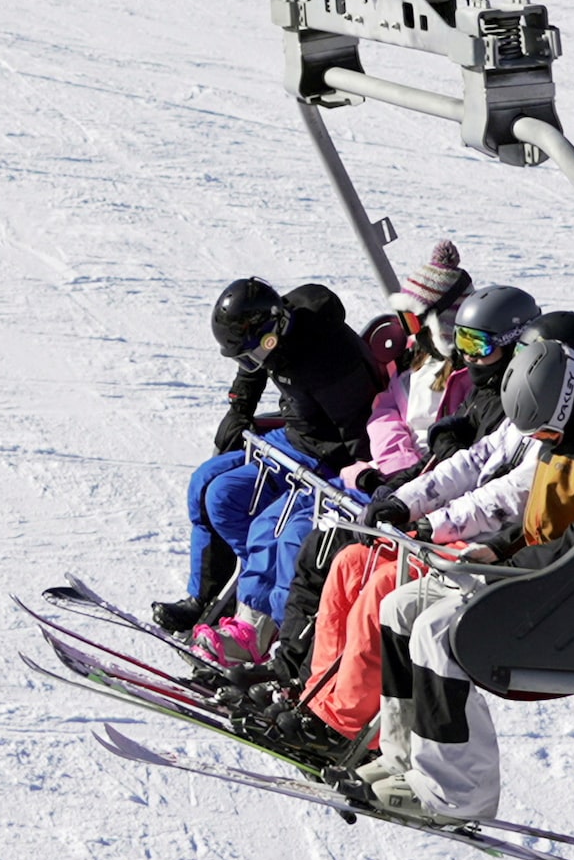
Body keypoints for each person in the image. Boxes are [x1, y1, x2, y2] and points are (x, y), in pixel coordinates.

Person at [363, 312, 574, 822]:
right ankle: (403, 760)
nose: (540, 437)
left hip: (571, 593)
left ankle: (459, 795)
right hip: (534, 573)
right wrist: (499, 550)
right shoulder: (567, 427)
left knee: (438, 632)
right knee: (401, 608)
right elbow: (538, 522)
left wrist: (508, 560)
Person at [276, 285, 545, 745]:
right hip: (447, 528)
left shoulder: (549, 427)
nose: (469, 359)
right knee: (349, 564)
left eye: (478, 348)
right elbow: (470, 463)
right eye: (462, 346)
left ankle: (344, 723)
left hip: (483, 550)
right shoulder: (513, 411)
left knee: (383, 588)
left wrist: (428, 522)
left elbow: (503, 498)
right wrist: (405, 501)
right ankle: (317, 698)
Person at [218, 243, 479, 658]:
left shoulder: (464, 381)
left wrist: (402, 474)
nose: (407, 327)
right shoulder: (416, 364)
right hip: (371, 474)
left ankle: (283, 645)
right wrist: (385, 465)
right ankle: (248, 625)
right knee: (268, 525)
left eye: (414, 318)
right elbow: (384, 412)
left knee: (299, 541)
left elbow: (450, 445)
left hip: (408, 491)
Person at [151, 278, 379, 635]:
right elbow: (251, 366)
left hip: (327, 456)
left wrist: (360, 478)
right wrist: (239, 409)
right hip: (293, 438)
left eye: (256, 352)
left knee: (268, 529)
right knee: (209, 486)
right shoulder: (270, 333)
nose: (254, 361)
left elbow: (358, 430)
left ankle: (268, 614)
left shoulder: (328, 358)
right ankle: (210, 596)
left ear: (277, 328)